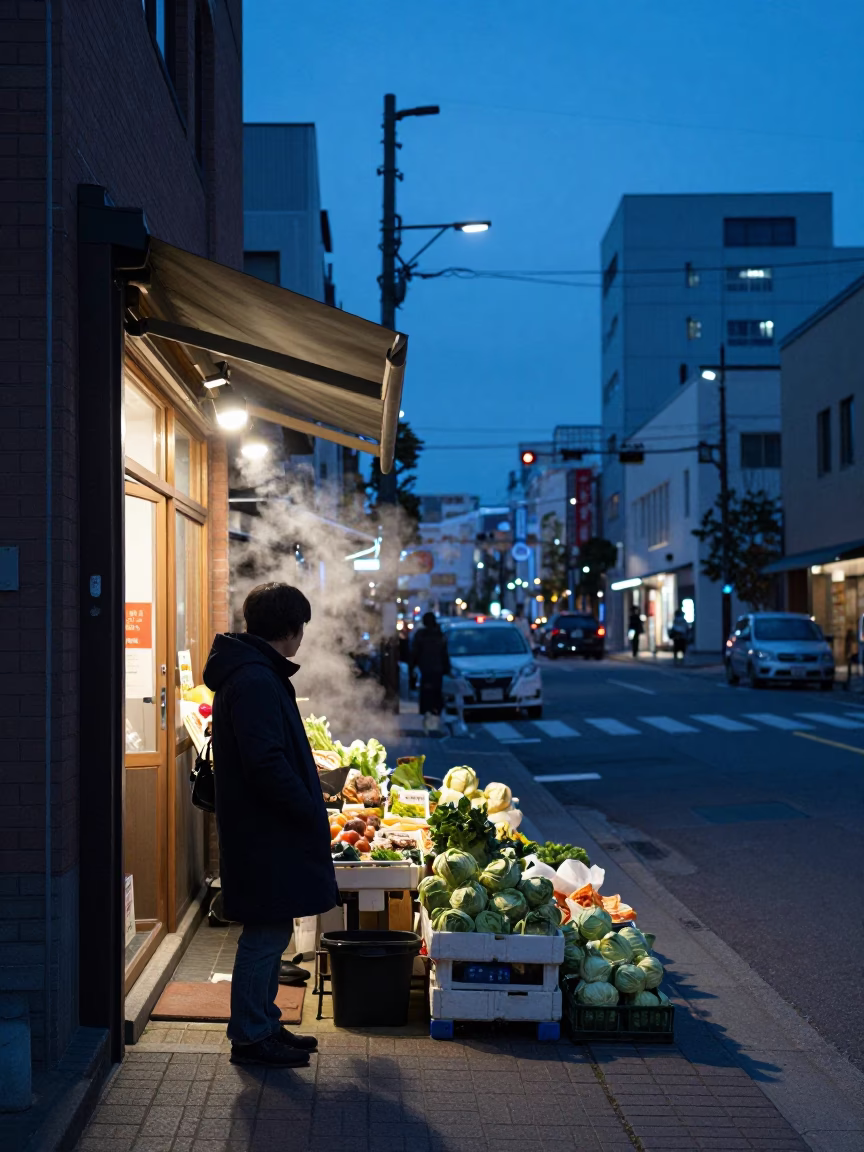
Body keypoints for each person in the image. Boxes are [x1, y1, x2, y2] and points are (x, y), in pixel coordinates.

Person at [203, 582, 339, 1068]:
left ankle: (264, 1021)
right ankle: (251, 1035)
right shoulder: (256, 679)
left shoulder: (250, 671)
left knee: (271, 929)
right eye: (300, 628)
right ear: (291, 629)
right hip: (266, 830)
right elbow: (266, 762)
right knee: (263, 936)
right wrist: (307, 806)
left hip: (262, 827)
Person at [411, 611, 451, 733]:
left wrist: (412, 667)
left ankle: (428, 714)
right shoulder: (439, 635)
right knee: (436, 693)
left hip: (426, 670)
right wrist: (446, 669)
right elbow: (444, 654)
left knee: (427, 694)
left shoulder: (421, 636)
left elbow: (414, 653)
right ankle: (435, 714)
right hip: (436, 670)